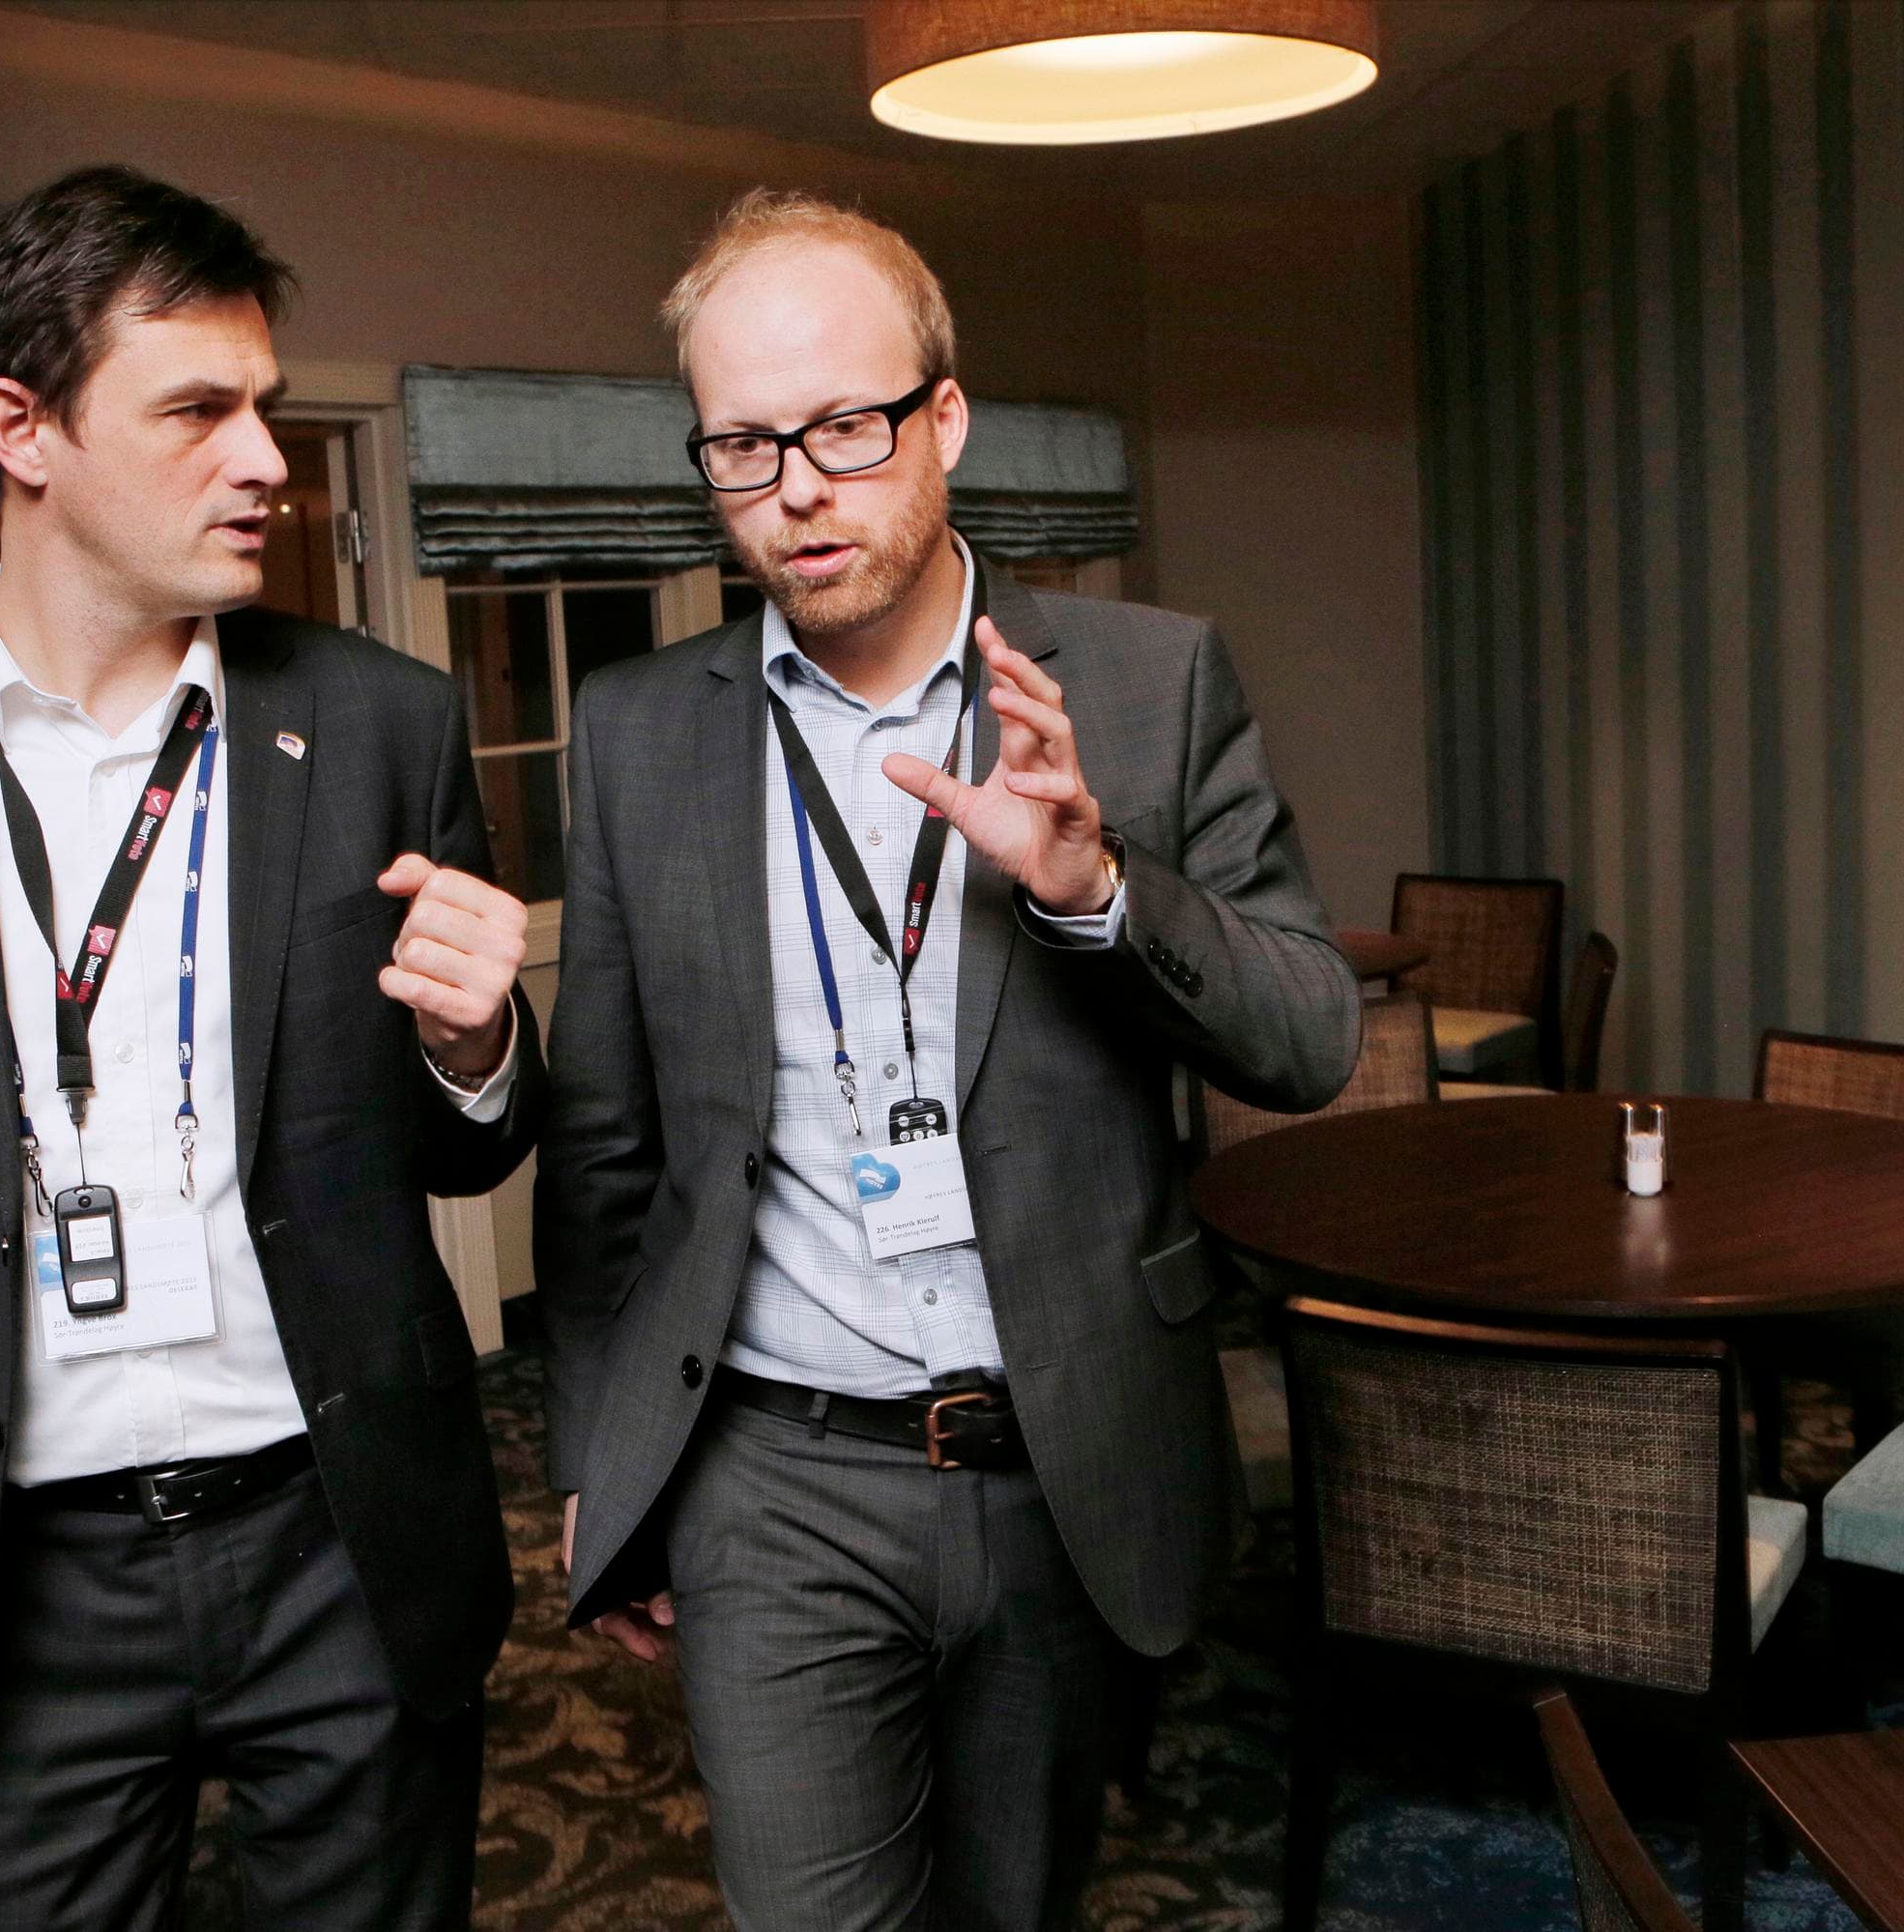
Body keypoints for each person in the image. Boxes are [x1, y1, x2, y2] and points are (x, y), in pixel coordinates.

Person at [0, 164, 544, 1931]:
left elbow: (461, 1150)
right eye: (198, 412)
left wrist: (479, 1042)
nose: (267, 461)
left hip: (340, 1538)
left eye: (267, 408)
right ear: (25, 429)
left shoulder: (378, 724)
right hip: (7, 1581)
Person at [537, 190, 1362, 1931]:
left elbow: (1307, 1039)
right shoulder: (637, 729)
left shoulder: (1145, 684)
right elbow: (609, 1137)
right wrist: (600, 1453)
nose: (797, 488)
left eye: (846, 425)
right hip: (767, 1473)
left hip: (1065, 1455)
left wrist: (1097, 887)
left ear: (947, 418)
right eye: (744, 445)